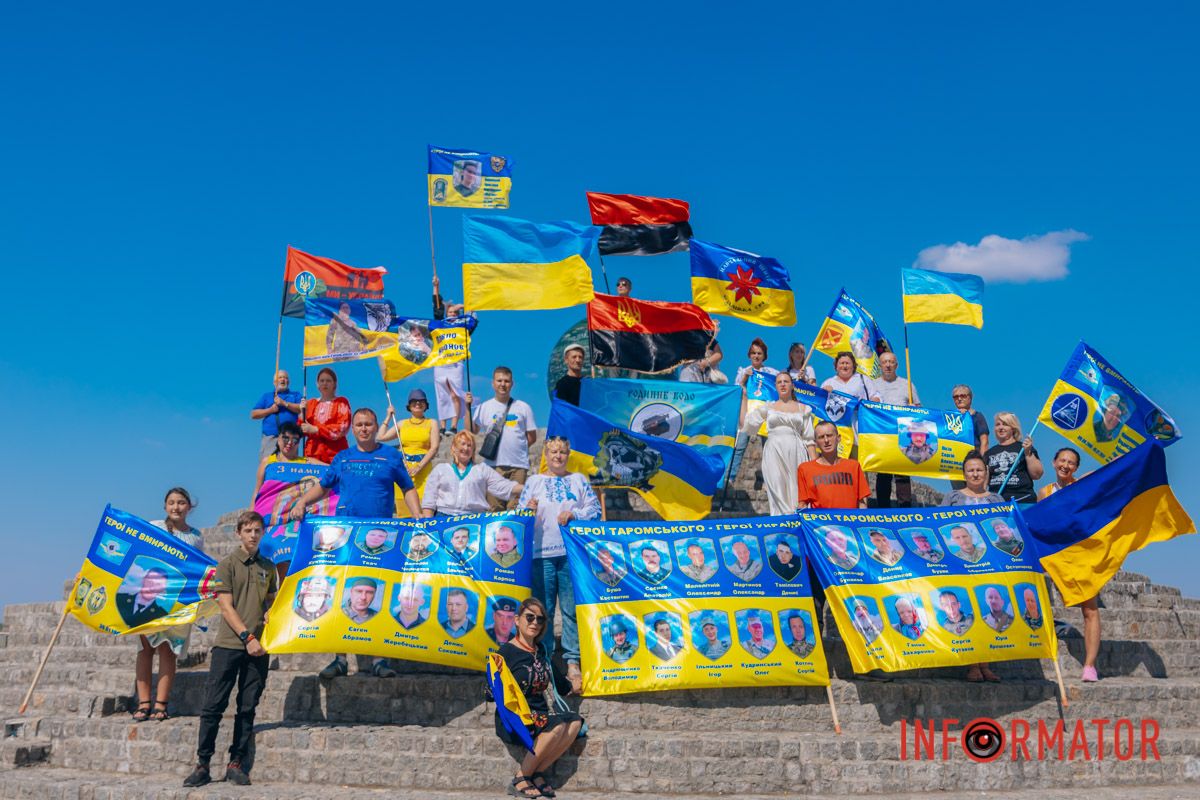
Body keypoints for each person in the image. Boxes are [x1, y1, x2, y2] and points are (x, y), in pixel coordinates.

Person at [287, 408, 419, 679]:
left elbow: (408, 488)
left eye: (368, 424)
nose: (363, 428)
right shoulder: (342, 457)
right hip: (346, 539)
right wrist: (301, 501)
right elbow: (323, 487)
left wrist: (418, 517)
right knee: (341, 595)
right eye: (359, 424)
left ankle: (379, 659)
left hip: (381, 539)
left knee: (378, 594)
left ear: (374, 426)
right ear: (353, 428)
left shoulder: (391, 456)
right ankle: (340, 659)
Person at [183, 511, 277, 788]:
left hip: (259, 648)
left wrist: (271, 614)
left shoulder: (268, 567)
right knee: (213, 706)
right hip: (229, 646)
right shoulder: (226, 565)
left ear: (262, 534)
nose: (252, 535)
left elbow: (270, 601)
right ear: (238, 533)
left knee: (247, 707)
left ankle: (236, 762)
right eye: (247, 530)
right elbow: (225, 606)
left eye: (257, 530)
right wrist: (247, 636)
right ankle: (203, 764)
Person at [519, 434, 601, 693]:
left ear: (568, 455)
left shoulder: (578, 481)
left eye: (562, 452)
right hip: (540, 555)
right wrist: (528, 510)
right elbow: (519, 516)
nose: (557, 456)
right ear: (545, 454)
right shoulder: (533, 482)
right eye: (553, 451)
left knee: (569, 610)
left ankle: (572, 661)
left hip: (570, 555)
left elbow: (595, 510)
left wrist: (574, 513)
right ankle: (542, 659)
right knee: (542, 612)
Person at [491, 598, 584, 800]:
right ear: (517, 620)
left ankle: (536, 772)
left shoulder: (540, 650)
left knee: (575, 722)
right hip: (515, 717)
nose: (534, 623)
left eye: (540, 619)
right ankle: (520, 778)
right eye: (529, 617)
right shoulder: (505, 652)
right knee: (557, 726)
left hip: (540, 714)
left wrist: (574, 684)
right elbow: (491, 691)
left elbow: (558, 681)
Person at [129, 488, 204, 722]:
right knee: (145, 650)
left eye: (181, 502)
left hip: (176, 600)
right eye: (171, 502)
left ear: (189, 507)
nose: (176, 507)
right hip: (149, 595)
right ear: (164, 506)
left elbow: (197, 567)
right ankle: (143, 703)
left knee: (168, 651)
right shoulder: (154, 527)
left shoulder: (196, 536)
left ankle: (161, 704)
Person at [1038, 447, 1101, 682]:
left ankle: (1090, 666)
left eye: (1071, 462)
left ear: (1076, 468)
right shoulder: (1044, 492)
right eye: (1062, 460)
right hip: (1056, 554)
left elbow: (1109, 471)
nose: (1066, 465)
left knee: (1090, 609)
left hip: (1082, 553)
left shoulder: (1081, 484)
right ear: (1054, 463)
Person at [740, 371, 816, 515]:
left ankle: (797, 524)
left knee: (797, 491)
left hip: (796, 452)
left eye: (786, 381)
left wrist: (815, 466)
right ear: (775, 386)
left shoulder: (804, 409)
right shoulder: (769, 407)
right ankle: (781, 528)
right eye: (779, 382)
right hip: (773, 452)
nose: (782, 384)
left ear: (792, 386)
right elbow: (747, 424)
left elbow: (809, 439)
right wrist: (744, 397)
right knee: (777, 489)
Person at [466, 367, 537, 511]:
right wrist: (467, 407)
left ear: (512, 384)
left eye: (506, 381)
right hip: (493, 466)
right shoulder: (484, 407)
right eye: (499, 380)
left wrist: (517, 448)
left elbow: (532, 437)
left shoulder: (523, 407)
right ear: (493, 383)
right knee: (494, 509)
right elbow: (472, 430)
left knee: (516, 509)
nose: (502, 384)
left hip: (518, 466)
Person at [422, 431, 523, 517]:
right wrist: (428, 524)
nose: (466, 448)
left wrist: (531, 486)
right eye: (462, 444)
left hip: (474, 519)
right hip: (443, 518)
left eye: (469, 445)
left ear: (473, 450)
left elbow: (504, 486)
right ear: (453, 447)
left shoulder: (482, 470)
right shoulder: (441, 469)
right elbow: (429, 499)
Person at [379, 388, 441, 517]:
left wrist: (419, 467)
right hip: (404, 471)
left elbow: (434, 448)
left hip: (423, 472)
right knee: (405, 514)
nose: (418, 403)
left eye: (421, 401)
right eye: (414, 401)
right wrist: (388, 416)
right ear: (409, 405)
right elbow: (380, 437)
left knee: (425, 513)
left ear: (426, 405)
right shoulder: (401, 424)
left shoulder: (432, 423)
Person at [797, 421, 870, 510]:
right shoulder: (805, 469)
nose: (826, 440)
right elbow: (802, 505)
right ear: (816, 443)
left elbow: (862, 503)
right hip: (823, 523)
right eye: (821, 437)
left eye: (829, 435)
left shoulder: (854, 466)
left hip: (849, 522)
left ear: (838, 438)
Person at [986, 412, 1044, 504]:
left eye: (1005, 424)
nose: (1001, 428)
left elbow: (1037, 474)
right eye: (998, 425)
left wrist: (1028, 453)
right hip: (997, 503)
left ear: (1013, 428)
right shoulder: (989, 453)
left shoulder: (1024, 447)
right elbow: (984, 483)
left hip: (1022, 501)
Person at [250, 370, 303, 460]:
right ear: (274, 382)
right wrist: (270, 410)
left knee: (289, 465)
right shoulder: (267, 396)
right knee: (268, 465)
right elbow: (253, 414)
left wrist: (284, 403)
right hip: (271, 437)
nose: (283, 380)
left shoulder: (296, 395)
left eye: (285, 378)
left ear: (288, 382)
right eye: (280, 377)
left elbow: (301, 408)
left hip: (290, 437)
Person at [251, 421, 312, 501]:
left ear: (298, 443)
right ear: (278, 439)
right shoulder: (267, 462)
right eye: (286, 438)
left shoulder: (307, 463)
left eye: (294, 440)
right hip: (269, 509)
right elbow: (257, 491)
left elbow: (330, 468)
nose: (289, 443)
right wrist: (251, 512)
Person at [302, 367, 351, 464]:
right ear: (317, 385)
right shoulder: (310, 403)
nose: (325, 383)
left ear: (334, 384)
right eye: (322, 381)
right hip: (312, 454)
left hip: (335, 454)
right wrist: (301, 412)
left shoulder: (341, 402)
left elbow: (343, 427)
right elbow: (301, 427)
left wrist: (317, 429)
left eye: (328, 380)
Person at [951, 384, 990, 454]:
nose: (959, 399)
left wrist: (983, 461)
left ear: (970, 398)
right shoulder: (949, 418)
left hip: (973, 458)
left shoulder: (978, 416)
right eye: (956, 397)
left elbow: (984, 441)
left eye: (963, 396)